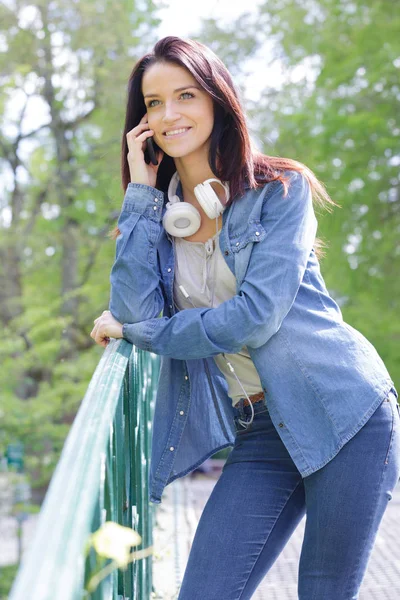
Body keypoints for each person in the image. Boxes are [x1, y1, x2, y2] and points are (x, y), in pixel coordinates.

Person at [90, 36, 400, 600]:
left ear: (216, 99)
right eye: (154, 103)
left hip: (345, 412)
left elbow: (254, 317)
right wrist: (140, 192)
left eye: (185, 94)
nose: (169, 114)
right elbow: (133, 310)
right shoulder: (160, 217)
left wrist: (152, 334)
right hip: (258, 428)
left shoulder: (280, 191)